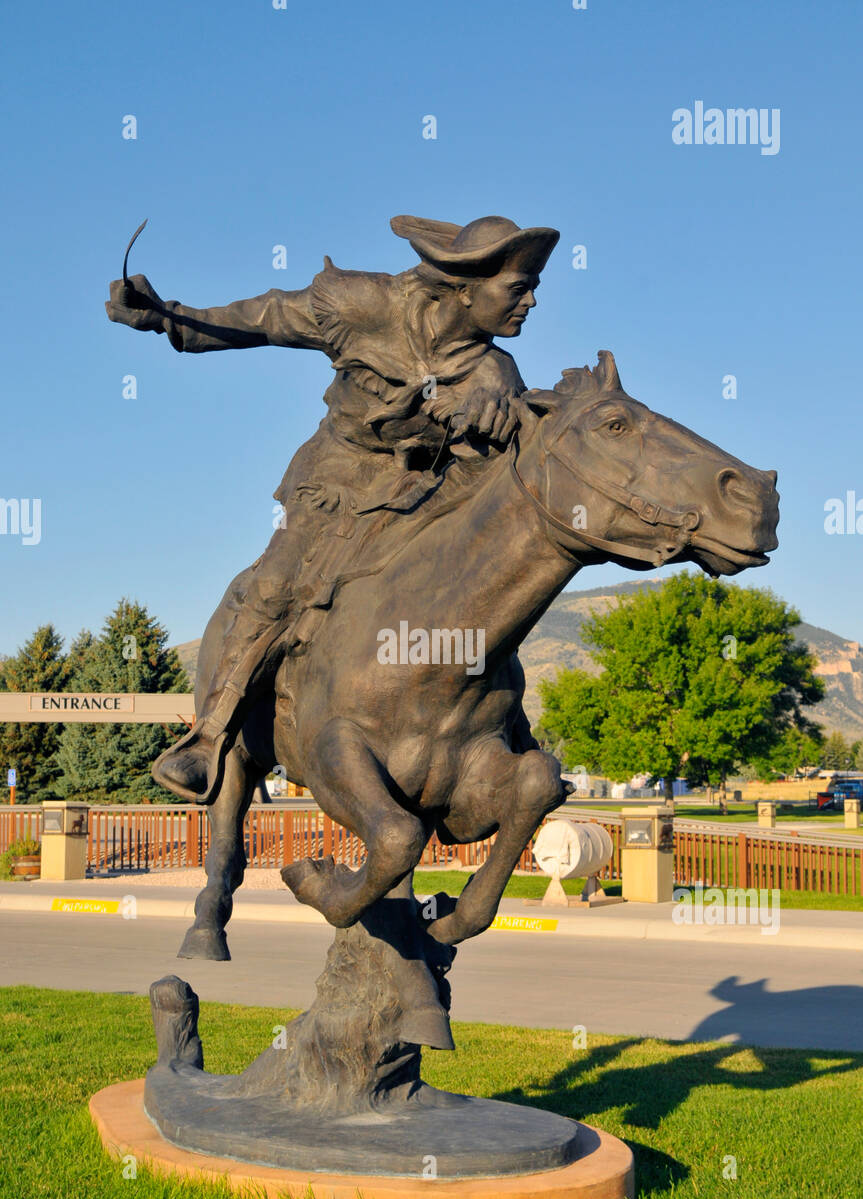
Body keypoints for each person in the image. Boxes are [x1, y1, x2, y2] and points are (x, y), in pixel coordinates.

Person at [106, 214, 560, 802]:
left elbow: (498, 476)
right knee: (274, 587)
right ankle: (208, 737)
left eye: (533, 290)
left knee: (470, 599)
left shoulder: (496, 373)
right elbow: (267, 318)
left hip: (420, 495)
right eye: (519, 289)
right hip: (336, 477)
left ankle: (507, 732)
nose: (530, 304)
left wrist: (491, 429)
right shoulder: (365, 304)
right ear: (465, 287)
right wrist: (170, 317)